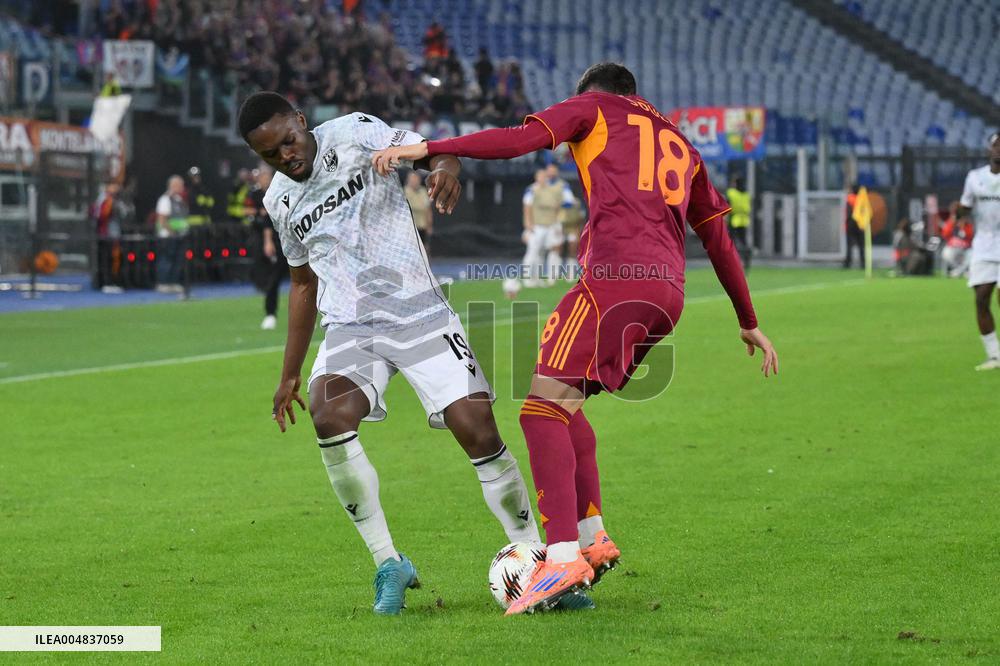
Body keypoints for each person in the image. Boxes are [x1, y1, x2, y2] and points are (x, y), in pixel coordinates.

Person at [372, 62, 778, 615]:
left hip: (613, 281)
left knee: (540, 413)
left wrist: (430, 148)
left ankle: (561, 560)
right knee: (567, 406)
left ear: (592, 94)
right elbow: (718, 239)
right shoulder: (681, 143)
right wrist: (747, 317)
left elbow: (520, 139)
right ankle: (592, 538)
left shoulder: (594, 109)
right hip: (669, 295)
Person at [236, 91, 543, 616]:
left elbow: (433, 151)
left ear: (301, 122)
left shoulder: (356, 132)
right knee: (329, 414)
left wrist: (446, 166)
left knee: (478, 429)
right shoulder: (278, 201)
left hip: (419, 310)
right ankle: (388, 563)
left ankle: (536, 558)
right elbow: (303, 284)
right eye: (270, 154)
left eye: (287, 141)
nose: (285, 156)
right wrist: (288, 374)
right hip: (352, 326)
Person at [956, 131, 1000, 371]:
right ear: (989, 149)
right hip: (984, 244)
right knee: (981, 297)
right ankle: (994, 355)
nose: (999, 149)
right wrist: (959, 212)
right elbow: (965, 206)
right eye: (996, 145)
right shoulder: (975, 178)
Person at [522, 165, 574, 286]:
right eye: (540, 176)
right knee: (532, 251)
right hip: (537, 226)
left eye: (544, 176)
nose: (543, 178)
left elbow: (561, 205)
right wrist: (528, 224)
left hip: (550, 225)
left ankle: (539, 278)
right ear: (536, 178)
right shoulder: (532, 190)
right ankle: (527, 278)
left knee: (544, 252)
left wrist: (557, 222)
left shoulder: (552, 190)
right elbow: (527, 207)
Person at [249, 165, 286, 330]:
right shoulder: (262, 195)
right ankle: (270, 314)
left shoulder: (281, 191)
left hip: (293, 238)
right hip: (276, 240)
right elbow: (266, 222)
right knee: (274, 277)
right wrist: (268, 241)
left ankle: (311, 316)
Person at [154, 174, 188, 293]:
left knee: (177, 261)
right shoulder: (165, 199)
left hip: (178, 236)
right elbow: (162, 220)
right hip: (167, 236)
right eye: (181, 185)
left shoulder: (178, 200)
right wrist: (172, 232)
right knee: (166, 260)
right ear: (173, 185)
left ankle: (173, 283)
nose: (183, 187)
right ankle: (163, 283)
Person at [939, 201, 974, 278]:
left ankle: (957, 272)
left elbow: (971, 235)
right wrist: (952, 222)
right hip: (953, 248)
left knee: (972, 255)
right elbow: (944, 234)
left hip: (966, 248)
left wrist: (963, 224)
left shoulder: (967, 223)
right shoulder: (951, 222)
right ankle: (962, 271)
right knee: (946, 253)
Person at [403, 171, 433, 256]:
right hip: (410, 228)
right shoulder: (404, 192)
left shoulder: (423, 191)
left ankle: (425, 267)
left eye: (416, 179)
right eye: (412, 179)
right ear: (408, 180)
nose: (415, 181)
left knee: (424, 249)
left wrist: (429, 225)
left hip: (422, 226)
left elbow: (427, 209)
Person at [726, 176, 752, 270]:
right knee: (744, 242)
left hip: (734, 220)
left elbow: (727, 206)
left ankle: (733, 262)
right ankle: (747, 260)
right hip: (744, 221)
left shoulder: (731, 193)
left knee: (731, 243)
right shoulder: (746, 194)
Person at [843, 184, 864, 269]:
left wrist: (847, 223)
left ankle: (848, 263)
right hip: (860, 224)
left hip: (851, 224)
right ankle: (863, 263)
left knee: (849, 245)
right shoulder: (862, 199)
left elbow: (848, 212)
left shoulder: (850, 198)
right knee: (861, 245)